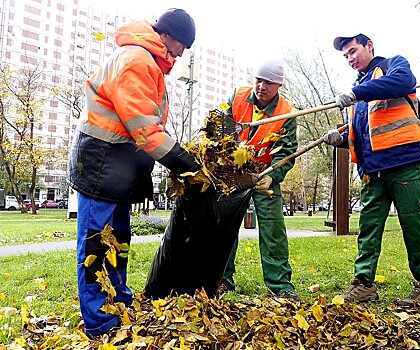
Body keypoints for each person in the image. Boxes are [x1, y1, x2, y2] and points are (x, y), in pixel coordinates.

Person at [68, 8, 200, 336]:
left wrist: (140, 172)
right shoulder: (138, 61)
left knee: (118, 240)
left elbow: (136, 128)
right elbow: (144, 129)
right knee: (99, 245)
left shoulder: (147, 60)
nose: (182, 52)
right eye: (183, 44)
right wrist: (184, 162)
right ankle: (101, 324)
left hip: (115, 163)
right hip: (101, 162)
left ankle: (119, 302)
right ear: (167, 35)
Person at [323, 33, 420, 307]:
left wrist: (357, 93)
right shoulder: (357, 90)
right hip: (373, 169)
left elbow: (404, 82)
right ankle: (363, 285)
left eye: (353, 51)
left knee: (413, 221)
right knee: (368, 227)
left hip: (405, 160)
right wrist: (342, 140)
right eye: (346, 56)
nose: (350, 58)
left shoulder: (392, 66)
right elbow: (363, 133)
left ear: (369, 45)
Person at [218, 58, 300, 301]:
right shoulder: (238, 97)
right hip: (234, 172)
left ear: (278, 86)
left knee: (273, 228)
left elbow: (287, 152)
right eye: (258, 80)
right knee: (225, 226)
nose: (261, 86)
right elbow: (223, 131)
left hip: (264, 173)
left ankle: (280, 284)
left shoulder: (288, 112)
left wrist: (272, 176)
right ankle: (221, 280)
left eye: (268, 82)